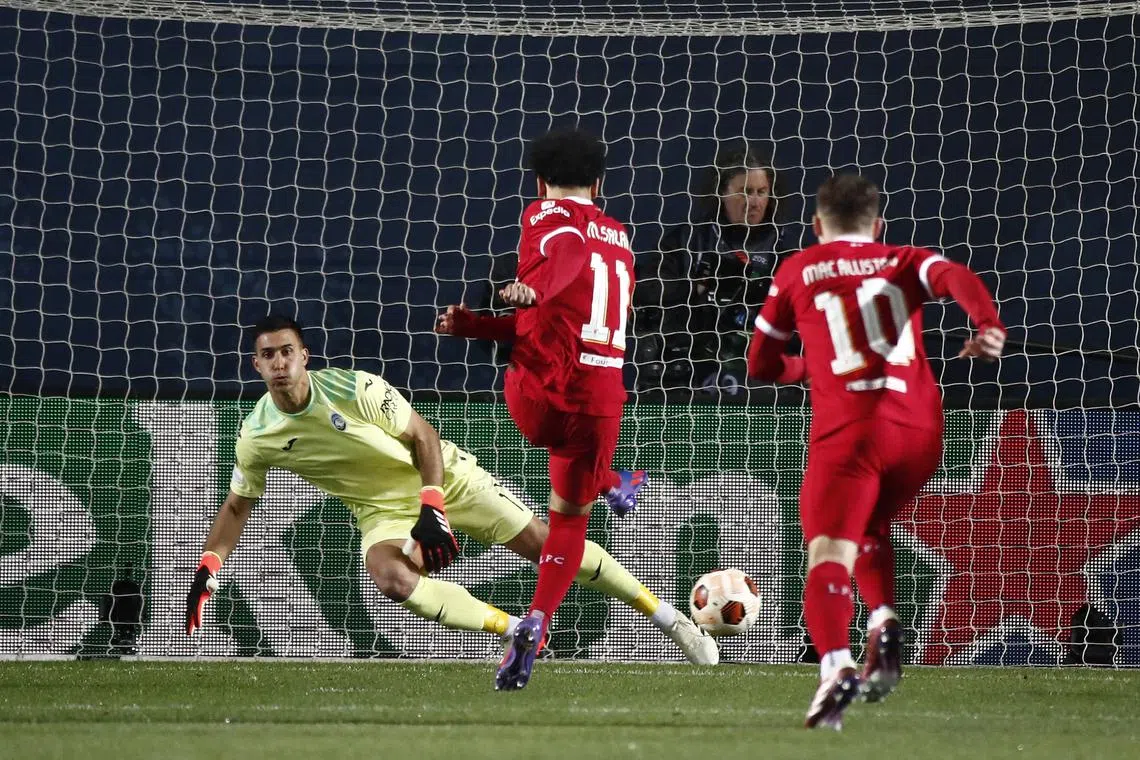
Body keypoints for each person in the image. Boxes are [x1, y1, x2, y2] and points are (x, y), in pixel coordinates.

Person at [184, 315, 719, 671]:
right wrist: (208, 565)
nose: (279, 363)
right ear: (256, 365)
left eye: (287, 352)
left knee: (543, 543)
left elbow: (424, 437)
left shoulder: (354, 388)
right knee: (393, 579)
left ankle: (666, 618)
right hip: (379, 510)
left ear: (305, 355)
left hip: (445, 478)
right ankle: (517, 631)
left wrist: (432, 505)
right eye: (267, 355)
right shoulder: (256, 435)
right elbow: (236, 506)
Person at [436, 127, 713, 690]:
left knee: (555, 457)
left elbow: (567, 253)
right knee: (568, 518)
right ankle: (543, 609)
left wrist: (519, 303)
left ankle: (537, 618)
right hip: (600, 400)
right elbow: (575, 272)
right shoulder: (620, 234)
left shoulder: (543, 215)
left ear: (540, 182)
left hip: (537, 397)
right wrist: (492, 320)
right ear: (600, 182)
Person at [747, 174, 1005, 729]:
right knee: (867, 529)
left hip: (852, 431)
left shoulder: (798, 268)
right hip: (920, 434)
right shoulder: (905, 259)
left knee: (826, 552)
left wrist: (801, 369)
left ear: (816, 226)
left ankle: (835, 667)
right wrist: (987, 324)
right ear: (878, 225)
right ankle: (883, 622)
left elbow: (759, 365)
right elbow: (956, 275)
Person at [634, 140, 790, 396]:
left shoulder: (782, 250)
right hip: (691, 363)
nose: (754, 201)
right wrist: (698, 288)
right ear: (722, 192)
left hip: (754, 368)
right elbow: (648, 288)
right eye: (745, 191)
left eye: (762, 192)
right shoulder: (688, 240)